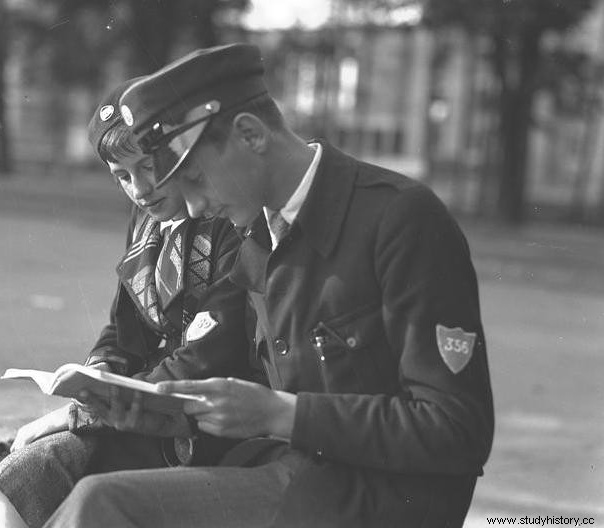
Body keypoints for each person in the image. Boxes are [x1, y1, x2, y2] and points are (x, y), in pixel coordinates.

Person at [43, 43, 495, 527]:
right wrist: (161, 416)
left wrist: (282, 414)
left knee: (102, 505)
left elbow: (457, 428)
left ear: (250, 134)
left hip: (376, 501)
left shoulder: (400, 220)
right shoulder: (258, 235)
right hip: (287, 476)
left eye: (194, 178)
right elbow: (253, 397)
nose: (192, 208)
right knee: (64, 472)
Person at [0, 77, 260, 528]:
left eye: (150, 167)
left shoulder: (225, 217)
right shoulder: (147, 221)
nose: (140, 189)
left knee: (45, 472)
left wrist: (84, 412)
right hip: (135, 414)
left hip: (201, 429)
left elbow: (212, 350)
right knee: (22, 474)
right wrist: (99, 373)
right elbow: (123, 324)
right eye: (122, 177)